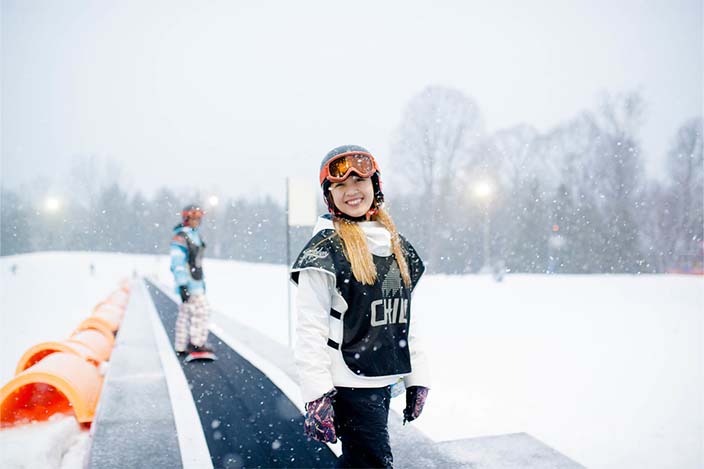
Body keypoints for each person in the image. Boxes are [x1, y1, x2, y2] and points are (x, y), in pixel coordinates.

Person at [290, 145, 430, 468]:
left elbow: (405, 319)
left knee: (361, 462)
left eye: (359, 182)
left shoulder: (394, 244)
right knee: (371, 463)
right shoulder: (325, 251)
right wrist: (317, 394)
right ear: (329, 196)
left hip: (381, 378)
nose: (352, 191)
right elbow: (310, 327)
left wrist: (417, 378)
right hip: (349, 383)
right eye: (340, 185)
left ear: (375, 186)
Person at [170, 204, 213, 355]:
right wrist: (182, 284)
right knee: (202, 311)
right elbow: (178, 263)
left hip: (197, 282)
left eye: (198, 218)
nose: (196, 221)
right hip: (189, 283)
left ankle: (181, 346)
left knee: (186, 313)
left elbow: (197, 262)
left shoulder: (195, 235)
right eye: (193, 218)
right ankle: (196, 343)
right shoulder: (181, 237)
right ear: (186, 218)